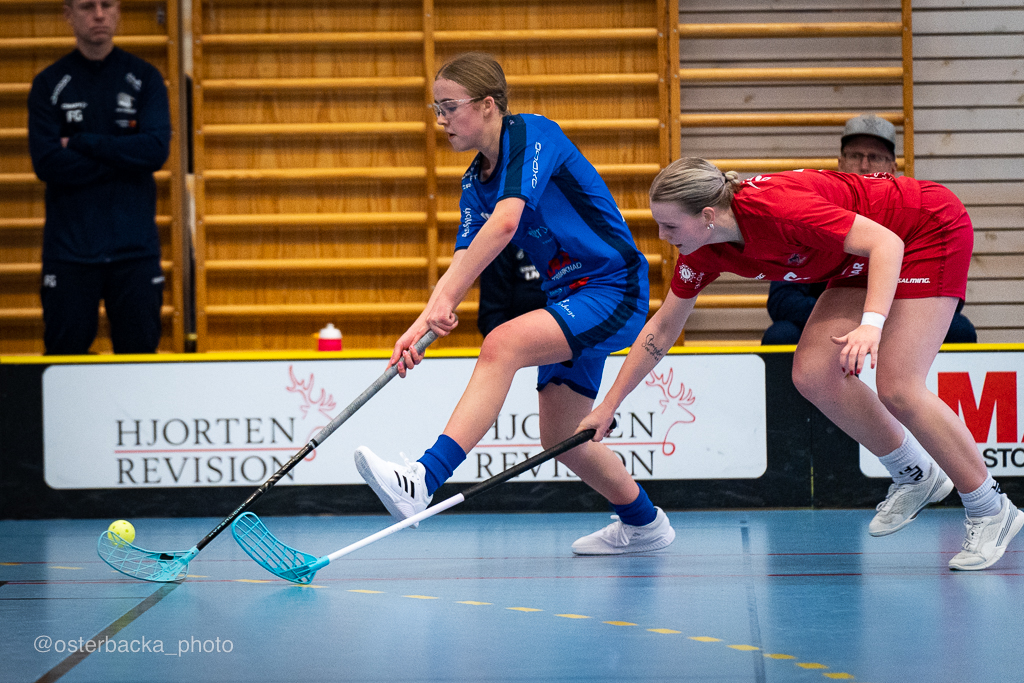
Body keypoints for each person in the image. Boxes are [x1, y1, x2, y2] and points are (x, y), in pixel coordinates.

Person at [581, 157, 1022, 570]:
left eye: (670, 225)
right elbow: (662, 329)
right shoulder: (702, 252)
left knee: (899, 386)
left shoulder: (777, 209)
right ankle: (914, 472)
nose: (662, 236)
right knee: (813, 374)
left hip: (923, 228)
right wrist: (608, 405)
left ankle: (991, 508)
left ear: (708, 216)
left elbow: (887, 243)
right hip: (858, 256)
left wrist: (871, 324)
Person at [354, 52, 675, 555]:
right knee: (562, 436)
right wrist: (422, 323)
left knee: (502, 344)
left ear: (487, 105)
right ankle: (645, 523)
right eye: (436, 109)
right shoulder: (472, 182)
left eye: (449, 107)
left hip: (613, 288)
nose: (441, 120)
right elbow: (464, 257)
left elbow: (505, 224)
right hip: (568, 295)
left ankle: (423, 479)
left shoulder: (531, 134)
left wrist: (445, 299)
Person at [28, 0, 170, 355]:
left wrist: (80, 142)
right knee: (64, 361)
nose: (99, 14)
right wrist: (125, 155)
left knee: (139, 363)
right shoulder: (49, 84)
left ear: (119, 11)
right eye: (87, 6)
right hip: (70, 252)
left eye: (107, 4)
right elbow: (48, 163)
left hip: (135, 252)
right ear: (68, 14)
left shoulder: (146, 78)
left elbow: (154, 152)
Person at [762, 114, 976, 345]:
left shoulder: (915, 216)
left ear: (892, 167)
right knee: (781, 335)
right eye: (855, 156)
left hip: (898, 322)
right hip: (832, 329)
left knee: (959, 329)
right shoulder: (812, 211)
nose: (864, 165)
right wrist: (853, 317)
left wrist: (876, 319)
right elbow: (782, 300)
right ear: (840, 163)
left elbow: (947, 296)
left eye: (875, 157)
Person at [477, 243, 547, 337]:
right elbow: (491, 316)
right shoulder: (504, 243)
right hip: (518, 338)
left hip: (564, 333)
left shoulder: (565, 242)